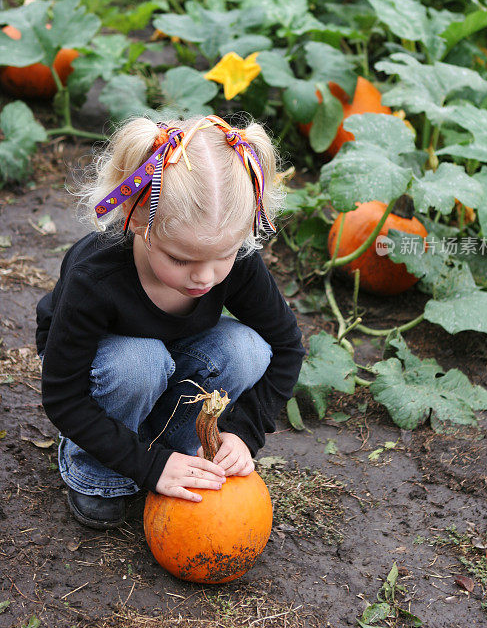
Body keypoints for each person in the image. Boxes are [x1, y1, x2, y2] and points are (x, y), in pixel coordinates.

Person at [36, 114, 305, 529]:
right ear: (137, 216)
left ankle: (172, 450)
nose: (204, 276)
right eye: (180, 259)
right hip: (104, 374)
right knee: (138, 362)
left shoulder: (235, 262)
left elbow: (288, 346)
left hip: (168, 356)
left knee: (248, 349)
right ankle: (97, 474)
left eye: (223, 256)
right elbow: (62, 396)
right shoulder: (95, 277)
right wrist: (147, 466)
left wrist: (244, 432)